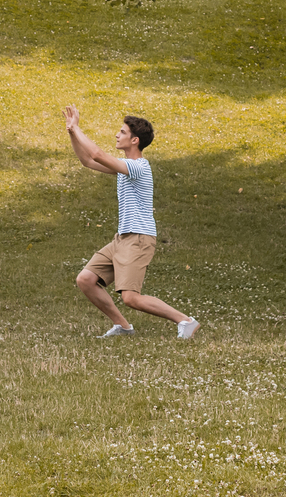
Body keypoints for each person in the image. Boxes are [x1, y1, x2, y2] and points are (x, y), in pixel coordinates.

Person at [65, 106, 198, 340]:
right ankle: (123, 326)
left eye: (122, 132)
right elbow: (87, 160)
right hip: (122, 238)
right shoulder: (124, 168)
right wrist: (71, 132)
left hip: (138, 238)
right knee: (86, 279)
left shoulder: (138, 167)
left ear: (135, 140)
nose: (117, 135)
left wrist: (77, 127)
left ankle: (185, 321)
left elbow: (97, 154)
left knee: (131, 298)